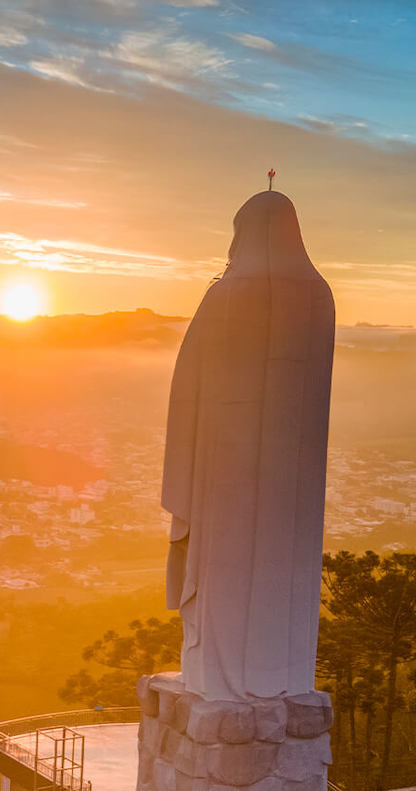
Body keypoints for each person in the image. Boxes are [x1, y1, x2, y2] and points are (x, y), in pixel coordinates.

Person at [162, 190, 334, 702]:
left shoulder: (229, 294)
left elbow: (188, 386)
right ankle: (283, 676)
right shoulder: (319, 294)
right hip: (295, 483)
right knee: (285, 576)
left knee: (225, 572)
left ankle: (216, 676)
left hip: (226, 470)